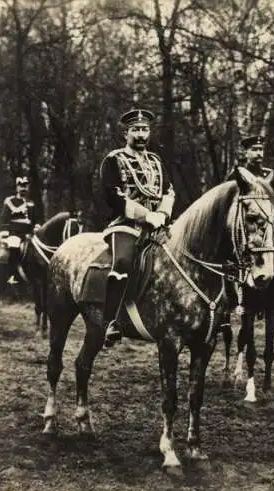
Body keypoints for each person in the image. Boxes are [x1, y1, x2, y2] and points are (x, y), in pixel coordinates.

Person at [100, 108, 175, 347]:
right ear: (126, 133)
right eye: (136, 130)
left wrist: (162, 214)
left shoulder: (156, 160)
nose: (141, 135)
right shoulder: (114, 160)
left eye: (145, 130)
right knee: (122, 262)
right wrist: (145, 215)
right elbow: (113, 195)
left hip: (158, 224)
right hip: (125, 225)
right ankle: (110, 321)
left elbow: (168, 191)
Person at [228, 135, 274, 312]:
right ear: (245, 152)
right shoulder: (237, 175)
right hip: (244, 228)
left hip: (268, 227)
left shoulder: (269, 175)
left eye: (260, 150)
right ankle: (230, 307)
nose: (258, 153)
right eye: (254, 150)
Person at [0, 176, 40, 282]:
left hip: (28, 234)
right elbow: (3, 219)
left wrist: (37, 226)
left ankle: (35, 275)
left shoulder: (31, 203)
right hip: (14, 233)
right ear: (17, 187)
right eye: (21, 186)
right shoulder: (10, 201)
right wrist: (5, 231)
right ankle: (13, 274)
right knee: (14, 246)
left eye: (25, 186)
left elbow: (36, 219)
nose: (23, 188)